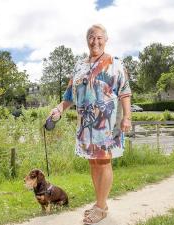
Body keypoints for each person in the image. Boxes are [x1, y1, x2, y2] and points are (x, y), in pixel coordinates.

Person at [48, 24, 131, 224]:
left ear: (106, 39)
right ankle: (99, 202)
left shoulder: (115, 64)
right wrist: (59, 109)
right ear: (87, 40)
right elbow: (69, 95)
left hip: (107, 124)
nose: (95, 41)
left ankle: (101, 207)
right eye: (91, 38)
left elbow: (125, 92)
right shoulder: (79, 66)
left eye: (99, 38)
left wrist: (127, 116)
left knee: (104, 160)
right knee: (93, 163)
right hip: (86, 123)